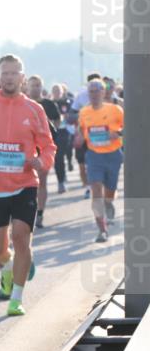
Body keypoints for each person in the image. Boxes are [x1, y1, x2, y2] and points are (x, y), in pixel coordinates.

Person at [0, 54, 54, 317]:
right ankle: (8, 269)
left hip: (24, 183)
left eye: (14, 73)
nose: (9, 77)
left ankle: (16, 299)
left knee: (20, 237)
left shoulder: (34, 110)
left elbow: (48, 145)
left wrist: (42, 162)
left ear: (22, 77)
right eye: (5, 73)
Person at [75, 78, 125, 243]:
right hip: (94, 155)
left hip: (113, 154)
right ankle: (102, 229)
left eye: (97, 91)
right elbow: (82, 130)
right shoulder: (84, 112)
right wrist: (79, 138)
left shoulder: (116, 110)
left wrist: (117, 133)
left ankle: (109, 202)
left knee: (109, 191)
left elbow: (128, 127)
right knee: (96, 190)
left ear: (104, 92)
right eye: (91, 91)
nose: (94, 94)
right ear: (87, 94)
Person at [26, 75, 61, 229]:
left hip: (43, 148)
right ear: (27, 86)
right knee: (27, 183)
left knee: (41, 181)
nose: (36, 88)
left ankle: (39, 213)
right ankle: (27, 211)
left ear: (42, 87)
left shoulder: (48, 104)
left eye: (38, 85)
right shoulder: (23, 103)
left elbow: (57, 123)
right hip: (26, 148)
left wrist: (44, 127)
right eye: (33, 85)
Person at [70, 73, 105, 199]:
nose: (94, 91)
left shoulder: (107, 96)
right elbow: (71, 115)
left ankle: (98, 188)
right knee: (84, 163)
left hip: (101, 135)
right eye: (91, 88)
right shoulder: (81, 96)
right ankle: (89, 187)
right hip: (84, 134)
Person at [50, 83, 71, 194]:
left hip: (64, 132)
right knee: (57, 158)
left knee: (61, 156)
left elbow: (72, 116)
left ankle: (62, 180)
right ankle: (61, 181)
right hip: (53, 133)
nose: (57, 93)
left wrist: (67, 117)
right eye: (55, 91)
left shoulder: (66, 103)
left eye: (58, 91)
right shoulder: (49, 104)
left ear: (62, 92)